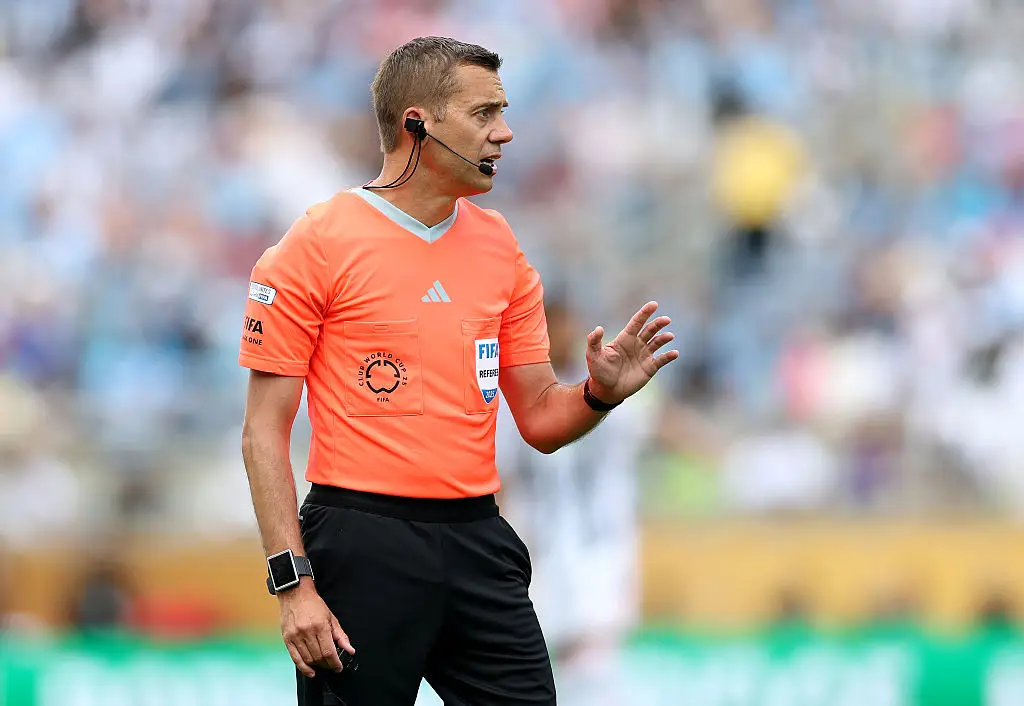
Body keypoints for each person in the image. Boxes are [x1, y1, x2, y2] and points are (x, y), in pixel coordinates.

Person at [238, 36, 678, 706]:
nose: (504, 133)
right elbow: (262, 433)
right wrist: (292, 584)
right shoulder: (318, 243)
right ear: (417, 123)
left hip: (478, 538)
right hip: (362, 541)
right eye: (484, 113)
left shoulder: (499, 246)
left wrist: (597, 395)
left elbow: (540, 420)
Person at [495, 298, 658, 705]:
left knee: (595, 663)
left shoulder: (609, 382)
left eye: (565, 324)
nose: (559, 335)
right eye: (550, 325)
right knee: (536, 665)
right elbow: (502, 477)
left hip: (601, 548)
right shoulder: (512, 399)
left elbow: (657, 427)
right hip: (540, 551)